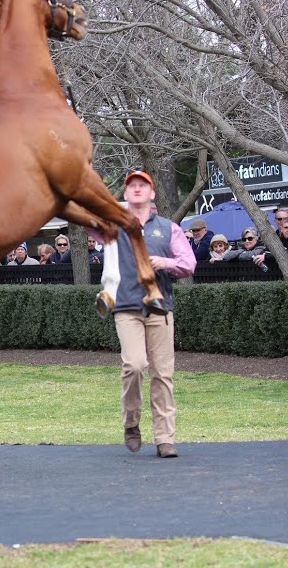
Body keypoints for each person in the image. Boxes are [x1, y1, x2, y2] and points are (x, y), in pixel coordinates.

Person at [112, 171, 196, 459]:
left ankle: (164, 438)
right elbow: (88, 222)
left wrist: (166, 262)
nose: (136, 189)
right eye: (131, 186)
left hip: (160, 308)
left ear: (152, 194)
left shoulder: (168, 228)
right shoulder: (115, 226)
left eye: (142, 185)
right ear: (125, 195)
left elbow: (188, 264)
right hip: (127, 307)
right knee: (135, 365)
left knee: (162, 373)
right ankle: (131, 423)